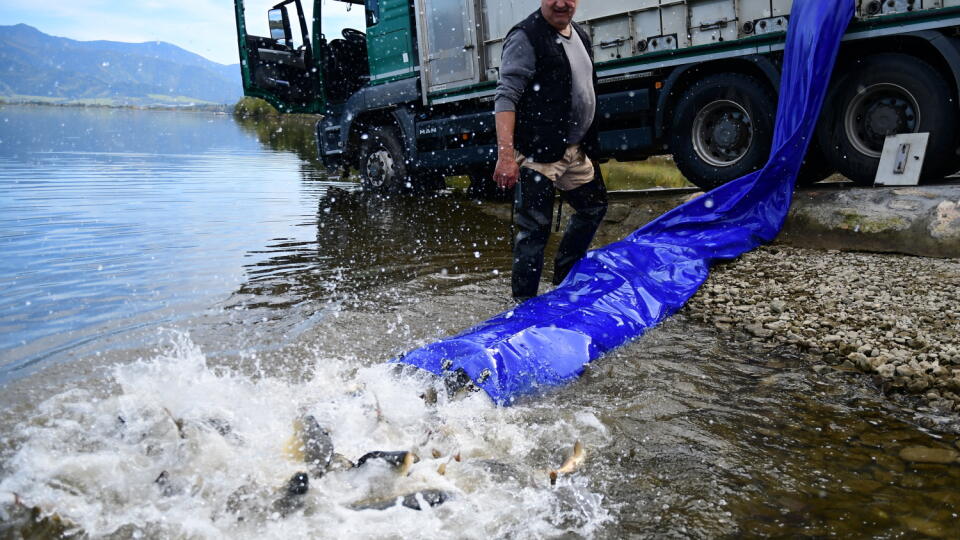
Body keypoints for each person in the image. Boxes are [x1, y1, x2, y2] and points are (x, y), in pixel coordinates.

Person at [493, 0, 608, 303]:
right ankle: (523, 305)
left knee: (593, 207)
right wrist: (506, 156)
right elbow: (506, 97)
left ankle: (565, 279)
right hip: (538, 153)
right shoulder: (526, 36)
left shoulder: (580, 34)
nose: (561, 3)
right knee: (534, 231)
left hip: (573, 150)